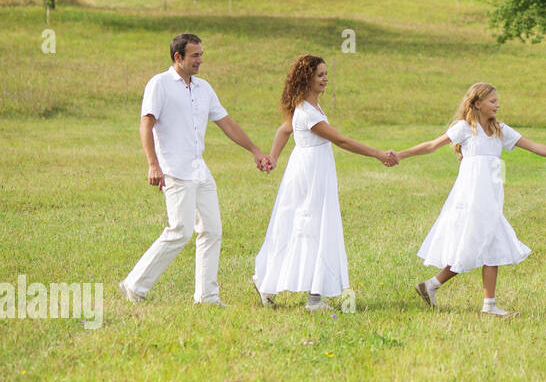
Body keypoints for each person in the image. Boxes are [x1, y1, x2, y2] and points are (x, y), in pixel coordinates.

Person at [120, 33, 271, 306]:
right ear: (178, 57)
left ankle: (207, 296)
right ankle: (134, 285)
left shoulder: (204, 88)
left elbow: (227, 124)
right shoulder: (159, 84)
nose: (200, 60)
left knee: (212, 230)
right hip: (174, 169)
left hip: (200, 170)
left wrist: (255, 150)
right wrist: (153, 164)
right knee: (180, 230)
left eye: (201, 54)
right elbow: (146, 125)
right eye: (195, 55)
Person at [398, 82, 546, 317]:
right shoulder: (465, 128)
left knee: (488, 244)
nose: (497, 105)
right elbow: (431, 146)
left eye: (497, 101)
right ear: (477, 104)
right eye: (492, 101)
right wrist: (399, 155)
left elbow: (533, 146)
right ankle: (457, 294)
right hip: (471, 197)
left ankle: (441, 289)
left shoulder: (501, 130)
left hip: (491, 197)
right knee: (481, 242)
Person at [253, 55, 399, 311]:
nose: (325, 78)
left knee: (304, 227)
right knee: (312, 228)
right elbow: (342, 141)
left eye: (325, 74)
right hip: (310, 175)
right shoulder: (308, 113)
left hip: (313, 170)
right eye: (320, 75)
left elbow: (284, 130)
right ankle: (310, 297)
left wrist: (274, 157)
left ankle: (278, 286)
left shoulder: (308, 108)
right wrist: (378, 154)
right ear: (307, 78)